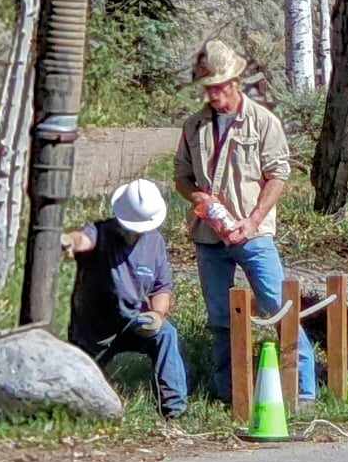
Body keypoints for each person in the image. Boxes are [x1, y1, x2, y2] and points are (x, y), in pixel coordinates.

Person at [174, 37, 317, 403]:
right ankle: (229, 393)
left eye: (218, 87)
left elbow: (278, 176)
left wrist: (252, 222)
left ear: (235, 83)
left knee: (278, 306)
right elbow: (181, 176)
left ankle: (303, 390)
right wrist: (198, 198)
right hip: (210, 236)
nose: (213, 95)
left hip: (254, 236)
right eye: (207, 89)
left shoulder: (263, 122)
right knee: (220, 316)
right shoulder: (194, 127)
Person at [62, 179, 188, 422]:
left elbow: (162, 286)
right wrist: (70, 240)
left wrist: (158, 315)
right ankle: (77, 415)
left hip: (133, 322)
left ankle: (174, 412)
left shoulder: (154, 242)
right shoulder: (100, 232)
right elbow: (83, 240)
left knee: (166, 334)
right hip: (95, 330)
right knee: (80, 387)